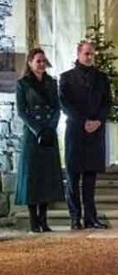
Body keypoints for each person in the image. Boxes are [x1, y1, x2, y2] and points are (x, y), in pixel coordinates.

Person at [59, 41, 112, 230]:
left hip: (95, 132)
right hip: (75, 131)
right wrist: (84, 121)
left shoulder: (102, 78)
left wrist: (98, 121)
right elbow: (65, 104)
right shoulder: (66, 78)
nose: (89, 57)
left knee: (90, 178)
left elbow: (107, 103)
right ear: (78, 54)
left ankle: (91, 217)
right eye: (86, 54)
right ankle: (75, 217)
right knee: (73, 177)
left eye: (92, 54)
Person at [15, 48, 65, 233]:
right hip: (32, 135)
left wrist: (50, 128)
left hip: (49, 134)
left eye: (44, 61)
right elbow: (22, 111)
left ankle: (44, 220)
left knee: (46, 176)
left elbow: (57, 108)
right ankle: (33, 220)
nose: (42, 64)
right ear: (30, 62)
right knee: (32, 176)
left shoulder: (52, 83)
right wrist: (38, 130)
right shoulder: (23, 84)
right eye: (38, 61)